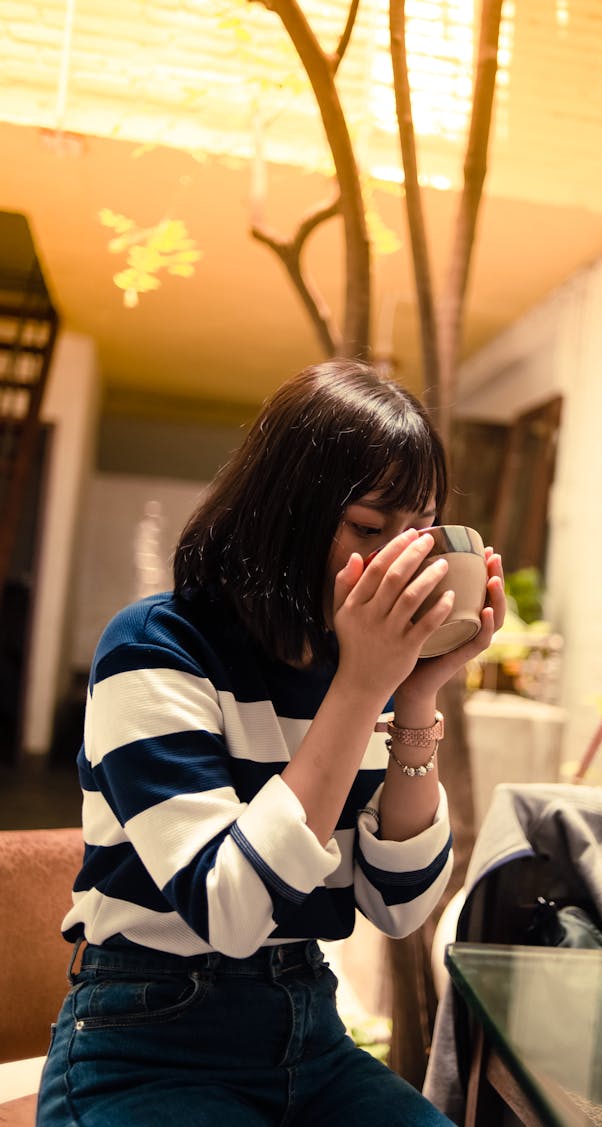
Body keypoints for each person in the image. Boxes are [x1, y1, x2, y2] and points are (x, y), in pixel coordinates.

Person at [37, 357, 506, 1127]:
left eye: (417, 531)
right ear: (286, 510)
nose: (400, 557)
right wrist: (361, 690)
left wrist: (416, 691)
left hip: (310, 1035)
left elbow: (398, 906)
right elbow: (230, 908)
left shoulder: (356, 666)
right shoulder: (154, 648)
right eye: (367, 525)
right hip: (146, 1041)